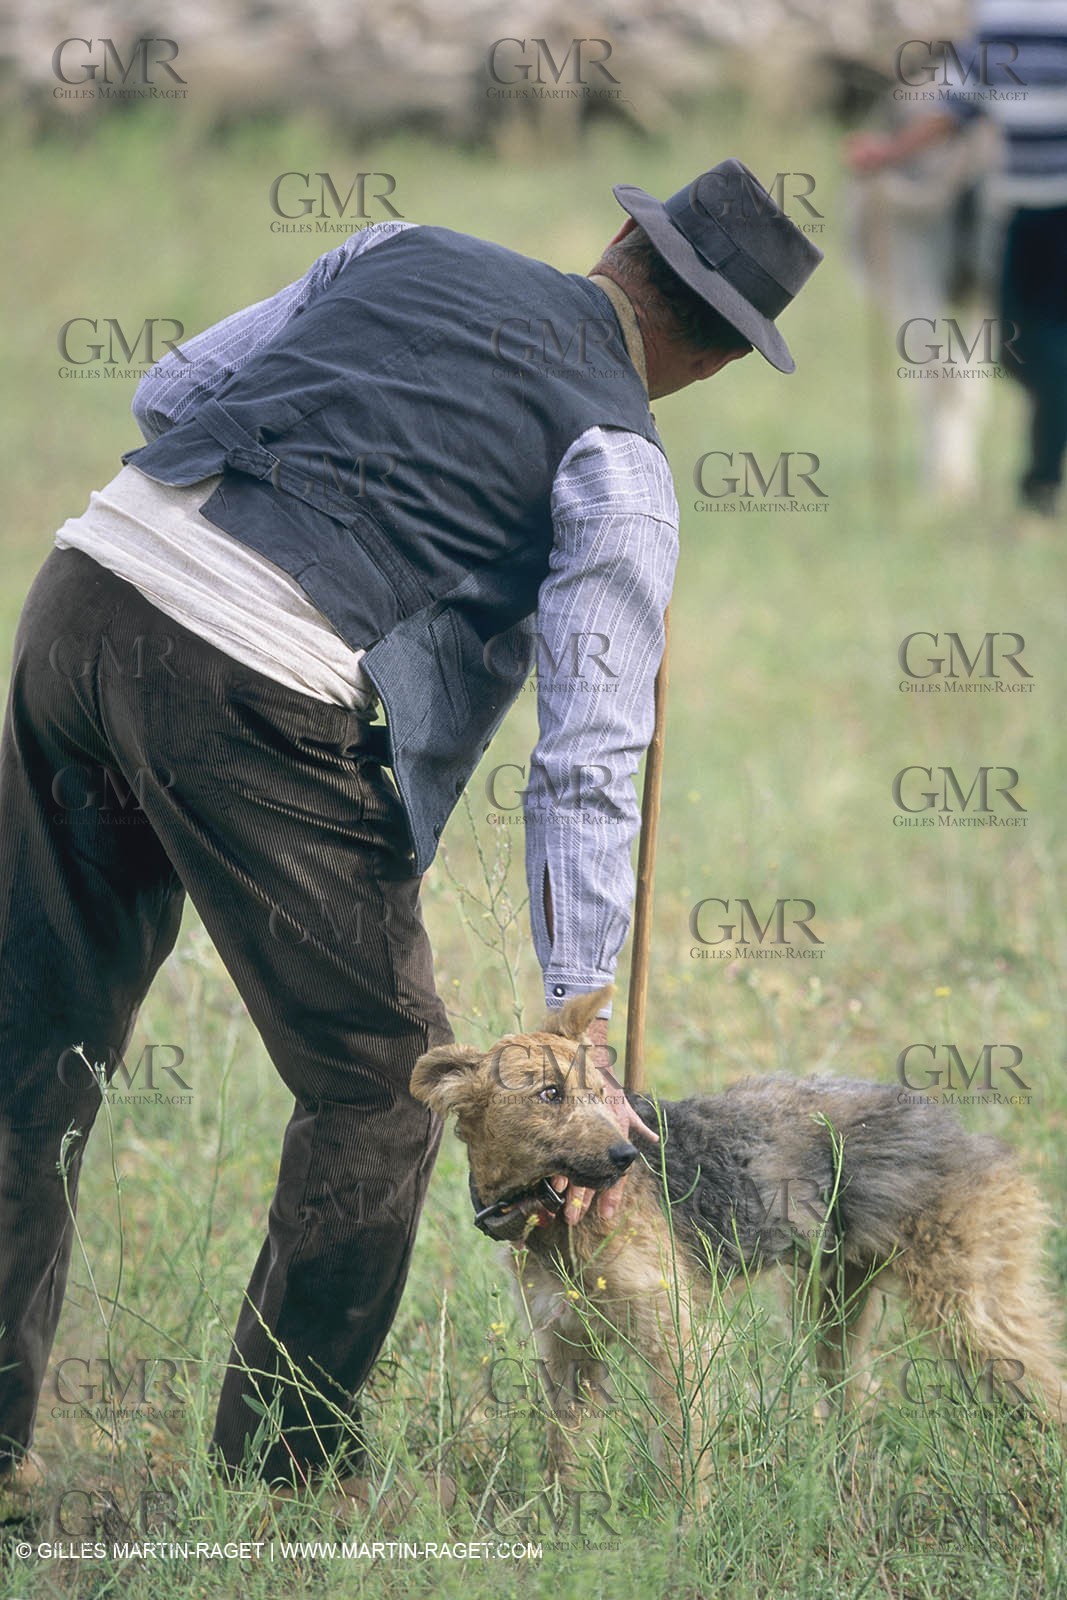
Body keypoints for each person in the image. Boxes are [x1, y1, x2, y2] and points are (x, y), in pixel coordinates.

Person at [0, 160, 820, 1500]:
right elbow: (587, 752)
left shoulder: (402, 243)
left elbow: (174, 396)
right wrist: (576, 1001)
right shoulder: (618, 463)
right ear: (720, 362)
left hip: (84, 591)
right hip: (244, 680)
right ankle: (284, 1474)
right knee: (384, 1085)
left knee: (27, 1057)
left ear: (619, 237)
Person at [847, 6, 1067, 521]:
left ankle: (1039, 489)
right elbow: (962, 105)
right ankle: (1039, 484)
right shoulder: (998, 15)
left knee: (1044, 352)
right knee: (1018, 347)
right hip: (1021, 205)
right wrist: (891, 153)